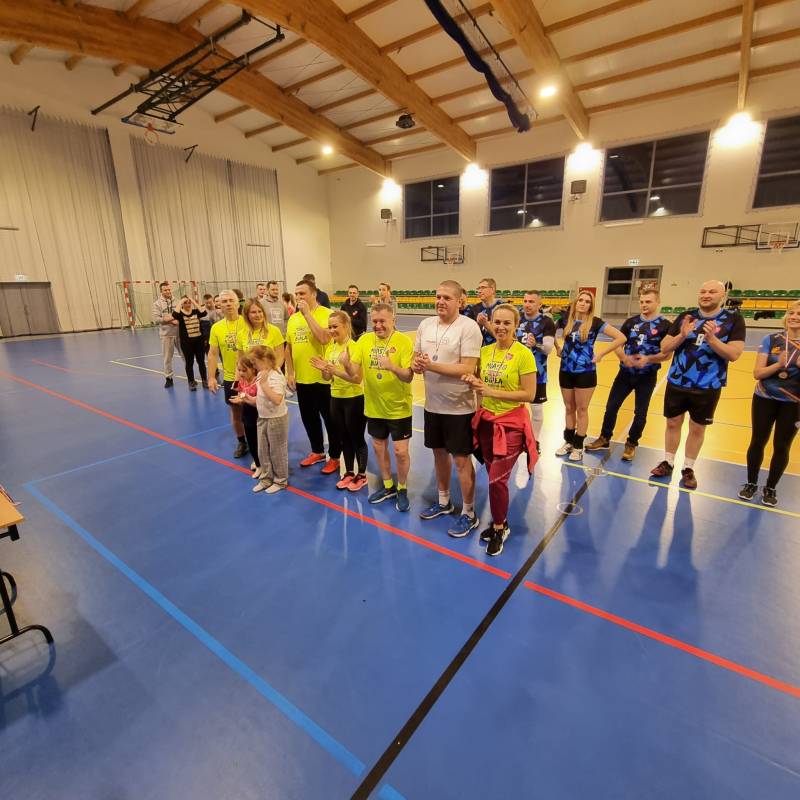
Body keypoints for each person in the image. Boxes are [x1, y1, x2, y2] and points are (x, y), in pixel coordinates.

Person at [651, 280, 746, 489]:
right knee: (673, 423)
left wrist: (712, 339)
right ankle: (668, 462)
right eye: (703, 291)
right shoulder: (686, 316)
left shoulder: (734, 319)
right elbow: (664, 347)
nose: (706, 295)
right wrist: (682, 335)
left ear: (722, 295)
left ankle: (688, 468)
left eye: (712, 291)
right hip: (678, 380)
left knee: (697, 427)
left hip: (708, 385)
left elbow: (734, 354)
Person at [462, 304, 538, 557]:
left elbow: (529, 394)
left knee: (497, 479)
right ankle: (501, 522)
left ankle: (498, 527)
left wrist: (492, 392)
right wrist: (474, 383)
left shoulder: (523, 354)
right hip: (487, 421)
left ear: (516, 326)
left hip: (511, 425)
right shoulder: (484, 352)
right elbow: (480, 386)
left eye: (507, 323)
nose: (501, 327)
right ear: (491, 323)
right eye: (497, 322)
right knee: (492, 475)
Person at [413, 280, 483, 537]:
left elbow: (467, 368)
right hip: (432, 406)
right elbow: (416, 358)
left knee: (462, 461)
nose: (440, 301)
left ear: (459, 301)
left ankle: (469, 513)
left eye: (447, 297)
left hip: (459, 409)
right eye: (438, 296)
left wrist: (429, 366)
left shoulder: (469, 327)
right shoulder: (425, 325)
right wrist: (416, 365)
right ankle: (444, 502)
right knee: (439, 455)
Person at [342, 302, 414, 511]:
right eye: (374, 321)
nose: (378, 325)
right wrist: (346, 363)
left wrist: (392, 367)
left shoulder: (403, 341)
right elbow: (354, 373)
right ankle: (388, 485)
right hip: (374, 406)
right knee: (379, 447)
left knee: (400, 452)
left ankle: (402, 488)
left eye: (382, 321)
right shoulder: (364, 340)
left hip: (398, 408)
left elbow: (408, 376)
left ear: (393, 320)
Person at [585, 289, 671, 461]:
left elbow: (667, 354)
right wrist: (624, 358)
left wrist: (648, 359)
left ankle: (631, 443)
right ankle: (604, 438)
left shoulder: (665, 325)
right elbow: (617, 343)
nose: (644, 305)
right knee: (611, 406)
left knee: (640, 412)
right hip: (625, 374)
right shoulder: (631, 322)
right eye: (642, 301)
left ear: (657, 302)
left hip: (647, 376)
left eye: (648, 301)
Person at [738, 301, 800, 506]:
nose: (794, 317)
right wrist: (778, 365)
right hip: (764, 398)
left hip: (793, 404)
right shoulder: (771, 339)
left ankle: (771, 487)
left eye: (799, 314)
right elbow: (757, 373)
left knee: (782, 446)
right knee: (757, 441)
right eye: (792, 313)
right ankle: (751, 483)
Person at [554, 291, 626, 461]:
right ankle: (568, 442)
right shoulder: (565, 320)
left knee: (582, 409)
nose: (583, 303)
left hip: (585, 372)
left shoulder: (596, 322)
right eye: (581, 300)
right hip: (565, 370)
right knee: (569, 408)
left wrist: (600, 354)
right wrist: (557, 347)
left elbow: (621, 337)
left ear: (591, 306)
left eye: (587, 301)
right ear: (576, 302)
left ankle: (578, 446)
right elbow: (548, 332)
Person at [285, 279, 341, 472]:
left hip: (324, 378)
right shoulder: (293, 319)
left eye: (302, 293)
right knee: (309, 419)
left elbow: (324, 338)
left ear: (314, 294)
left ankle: (335, 456)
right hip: (302, 379)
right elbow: (289, 347)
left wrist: (308, 314)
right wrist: (290, 372)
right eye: (296, 294)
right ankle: (317, 451)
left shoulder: (327, 314)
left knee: (330, 420)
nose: (299, 297)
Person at [310, 311, 367, 491]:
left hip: (354, 399)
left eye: (335, 326)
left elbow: (357, 379)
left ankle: (362, 475)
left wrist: (336, 370)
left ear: (346, 326)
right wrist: (324, 370)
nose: (332, 330)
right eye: (330, 327)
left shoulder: (355, 347)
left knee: (356, 438)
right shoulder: (330, 348)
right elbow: (328, 378)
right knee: (344, 438)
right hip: (336, 398)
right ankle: (349, 472)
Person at [237, 300, 285, 469]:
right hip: (250, 383)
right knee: (251, 422)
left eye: (260, 311)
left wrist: (269, 373)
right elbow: (240, 360)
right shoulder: (242, 334)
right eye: (253, 312)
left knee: (267, 422)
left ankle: (272, 458)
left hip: (267, 381)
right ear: (247, 315)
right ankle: (258, 458)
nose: (257, 315)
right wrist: (240, 383)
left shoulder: (274, 331)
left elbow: (280, 355)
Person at [207, 289, 249, 458]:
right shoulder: (216, 328)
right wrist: (211, 377)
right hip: (231, 378)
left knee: (256, 411)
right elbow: (212, 354)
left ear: (238, 303)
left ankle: (260, 441)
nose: (228, 304)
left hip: (252, 378)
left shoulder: (248, 322)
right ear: (219, 305)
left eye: (231, 300)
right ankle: (242, 442)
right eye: (224, 301)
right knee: (236, 412)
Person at [515, 290, 556, 449]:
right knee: (513, 407)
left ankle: (533, 442)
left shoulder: (547, 322)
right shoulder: (516, 318)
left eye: (531, 301)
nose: (527, 304)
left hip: (537, 372)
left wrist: (535, 345)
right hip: (514, 371)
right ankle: (514, 438)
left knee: (536, 409)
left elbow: (548, 349)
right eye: (525, 301)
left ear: (539, 304)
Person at [249, 345, 290, 495]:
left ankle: (280, 480)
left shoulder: (276, 375)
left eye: (255, 362)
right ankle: (266, 479)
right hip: (263, 417)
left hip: (276, 419)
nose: (253, 366)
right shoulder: (262, 373)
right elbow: (262, 397)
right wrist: (249, 399)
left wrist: (264, 385)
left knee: (277, 451)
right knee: (263, 451)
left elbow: (277, 399)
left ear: (265, 360)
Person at [229, 354, 261, 475]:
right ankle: (257, 463)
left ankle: (262, 462)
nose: (241, 373)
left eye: (244, 370)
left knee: (260, 441)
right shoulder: (242, 382)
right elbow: (241, 394)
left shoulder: (258, 381)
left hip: (258, 416)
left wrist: (244, 399)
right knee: (251, 441)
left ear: (253, 369)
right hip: (247, 415)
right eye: (239, 370)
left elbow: (259, 400)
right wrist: (240, 399)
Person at [172, 295, 208, 390]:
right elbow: (174, 315)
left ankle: (204, 380)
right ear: (182, 304)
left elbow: (204, 312)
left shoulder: (196, 312)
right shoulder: (180, 314)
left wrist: (193, 301)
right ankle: (191, 382)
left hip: (199, 342)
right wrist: (181, 301)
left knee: (201, 362)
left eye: (189, 303)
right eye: (185, 303)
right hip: (187, 343)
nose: (188, 304)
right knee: (189, 363)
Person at [151, 281, 180, 388]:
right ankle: (169, 378)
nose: (168, 291)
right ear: (161, 291)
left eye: (169, 289)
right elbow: (157, 319)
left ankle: (190, 377)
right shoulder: (157, 304)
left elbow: (182, 315)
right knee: (167, 358)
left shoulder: (178, 301)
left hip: (179, 334)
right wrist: (171, 320)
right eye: (165, 290)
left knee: (185, 356)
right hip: (166, 335)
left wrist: (177, 320)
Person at [467, 277, 502, 346]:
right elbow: (470, 335)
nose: (479, 291)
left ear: (492, 289)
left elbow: (502, 335)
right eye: (478, 288)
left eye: (483, 288)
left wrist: (485, 324)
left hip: (499, 347)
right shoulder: (474, 309)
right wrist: (479, 324)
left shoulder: (503, 307)